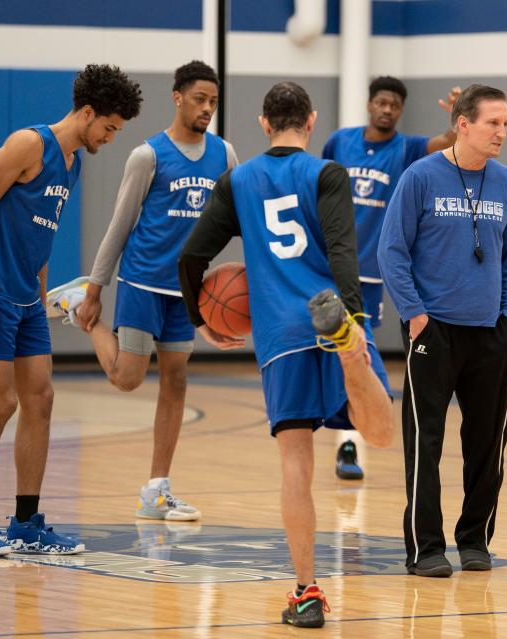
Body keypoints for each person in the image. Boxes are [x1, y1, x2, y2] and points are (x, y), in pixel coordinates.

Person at [177, 82, 393, 628]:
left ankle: (306, 593)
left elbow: (192, 256)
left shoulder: (237, 180)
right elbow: (343, 252)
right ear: (311, 120)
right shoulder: (325, 173)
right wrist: (356, 323)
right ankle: (347, 348)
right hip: (332, 314)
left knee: (295, 466)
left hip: (278, 334)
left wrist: (201, 318)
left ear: (263, 122)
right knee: (383, 434)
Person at [47, 61, 238, 522]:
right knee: (127, 378)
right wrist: (95, 288)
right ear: (177, 97)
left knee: (176, 380)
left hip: (186, 290)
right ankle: (73, 305)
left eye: (213, 101)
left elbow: (237, 217)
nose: (207, 108)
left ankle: (157, 490)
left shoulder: (225, 156)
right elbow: (120, 225)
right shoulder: (147, 155)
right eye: (199, 99)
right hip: (141, 281)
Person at [0, 64, 142, 555]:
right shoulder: (28, 145)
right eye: (110, 128)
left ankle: (26, 522)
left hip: (28, 300)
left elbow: (41, 233)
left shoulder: (74, 165)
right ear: (87, 112)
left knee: (41, 400)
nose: (111, 138)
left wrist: (41, 292)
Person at [378, 84, 507, 578]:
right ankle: (426, 548)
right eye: (493, 123)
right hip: (432, 331)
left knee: (487, 443)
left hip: (490, 332)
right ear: (464, 124)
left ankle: (475, 539)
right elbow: (391, 251)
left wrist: (506, 314)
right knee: (427, 443)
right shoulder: (420, 177)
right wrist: (415, 314)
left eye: (506, 123)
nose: (502, 132)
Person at [321, 76, 459, 480]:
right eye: (381, 102)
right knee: (343, 351)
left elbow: (447, 144)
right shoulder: (338, 143)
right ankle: (345, 433)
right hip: (331, 265)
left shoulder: (407, 148)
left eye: (394, 105)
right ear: (369, 104)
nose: (387, 109)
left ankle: (349, 437)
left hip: (370, 271)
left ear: (400, 110)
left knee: (352, 349)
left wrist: (457, 118)